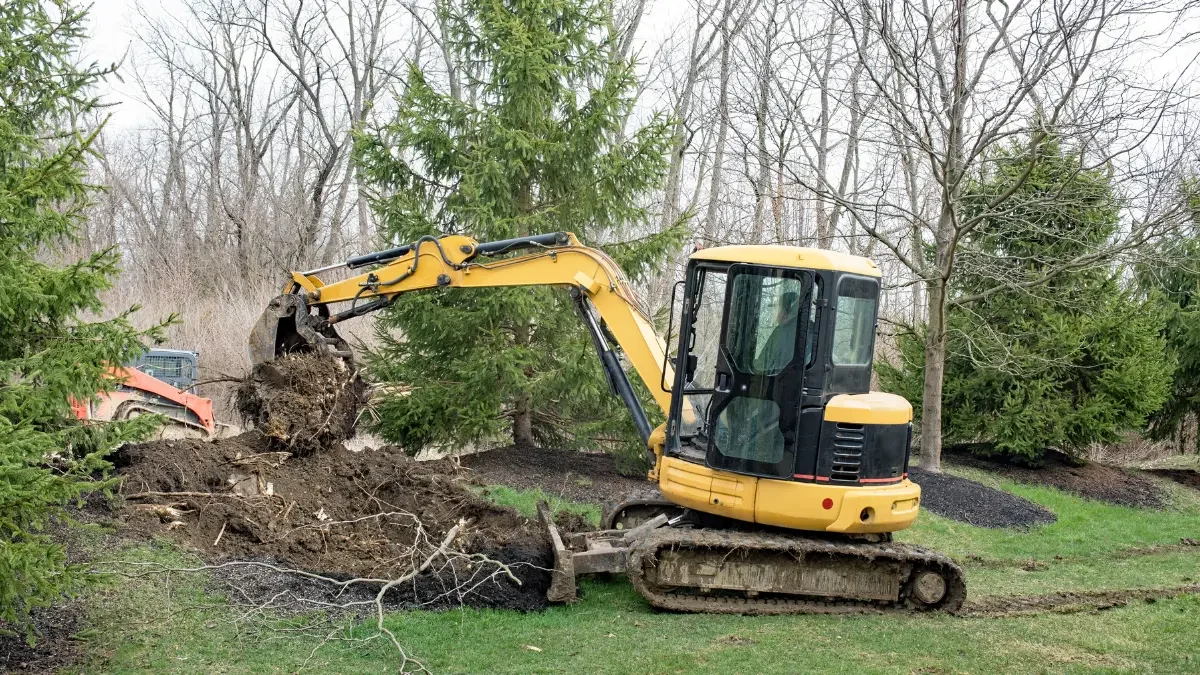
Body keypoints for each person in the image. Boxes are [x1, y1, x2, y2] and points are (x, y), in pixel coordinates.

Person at [755, 290, 800, 372]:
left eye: (777, 307)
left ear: (786, 310)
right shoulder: (803, 329)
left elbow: (764, 365)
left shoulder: (782, 332)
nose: (774, 312)